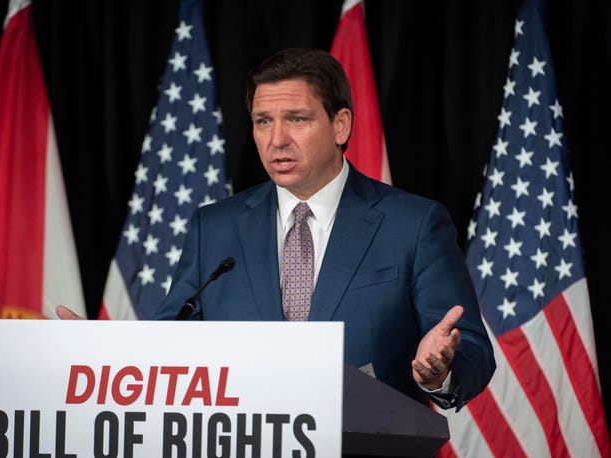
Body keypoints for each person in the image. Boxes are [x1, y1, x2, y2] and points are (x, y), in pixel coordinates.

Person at [58, 47, 495, 410]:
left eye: (297, 119)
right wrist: (109, 357)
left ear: (340, 125)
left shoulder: (413, 225)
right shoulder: (216, 228)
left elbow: (472, 348)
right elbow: (173, 346)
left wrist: (441, 372)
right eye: (263, 121)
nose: (276, 139)